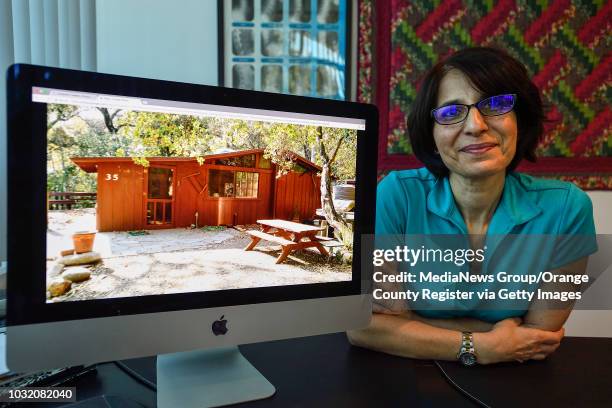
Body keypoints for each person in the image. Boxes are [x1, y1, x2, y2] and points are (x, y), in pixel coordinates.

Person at [348, 47, 598, 365]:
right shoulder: (395, 196)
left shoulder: (567, 210)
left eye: (495, 105)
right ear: (432, 134)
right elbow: (362, 328)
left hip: (517, 384)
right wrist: (482, 346)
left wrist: (406, 326)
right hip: (401, 377)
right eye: (452, 113)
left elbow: (539, 333)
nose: (476, 125)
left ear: (519, 120)